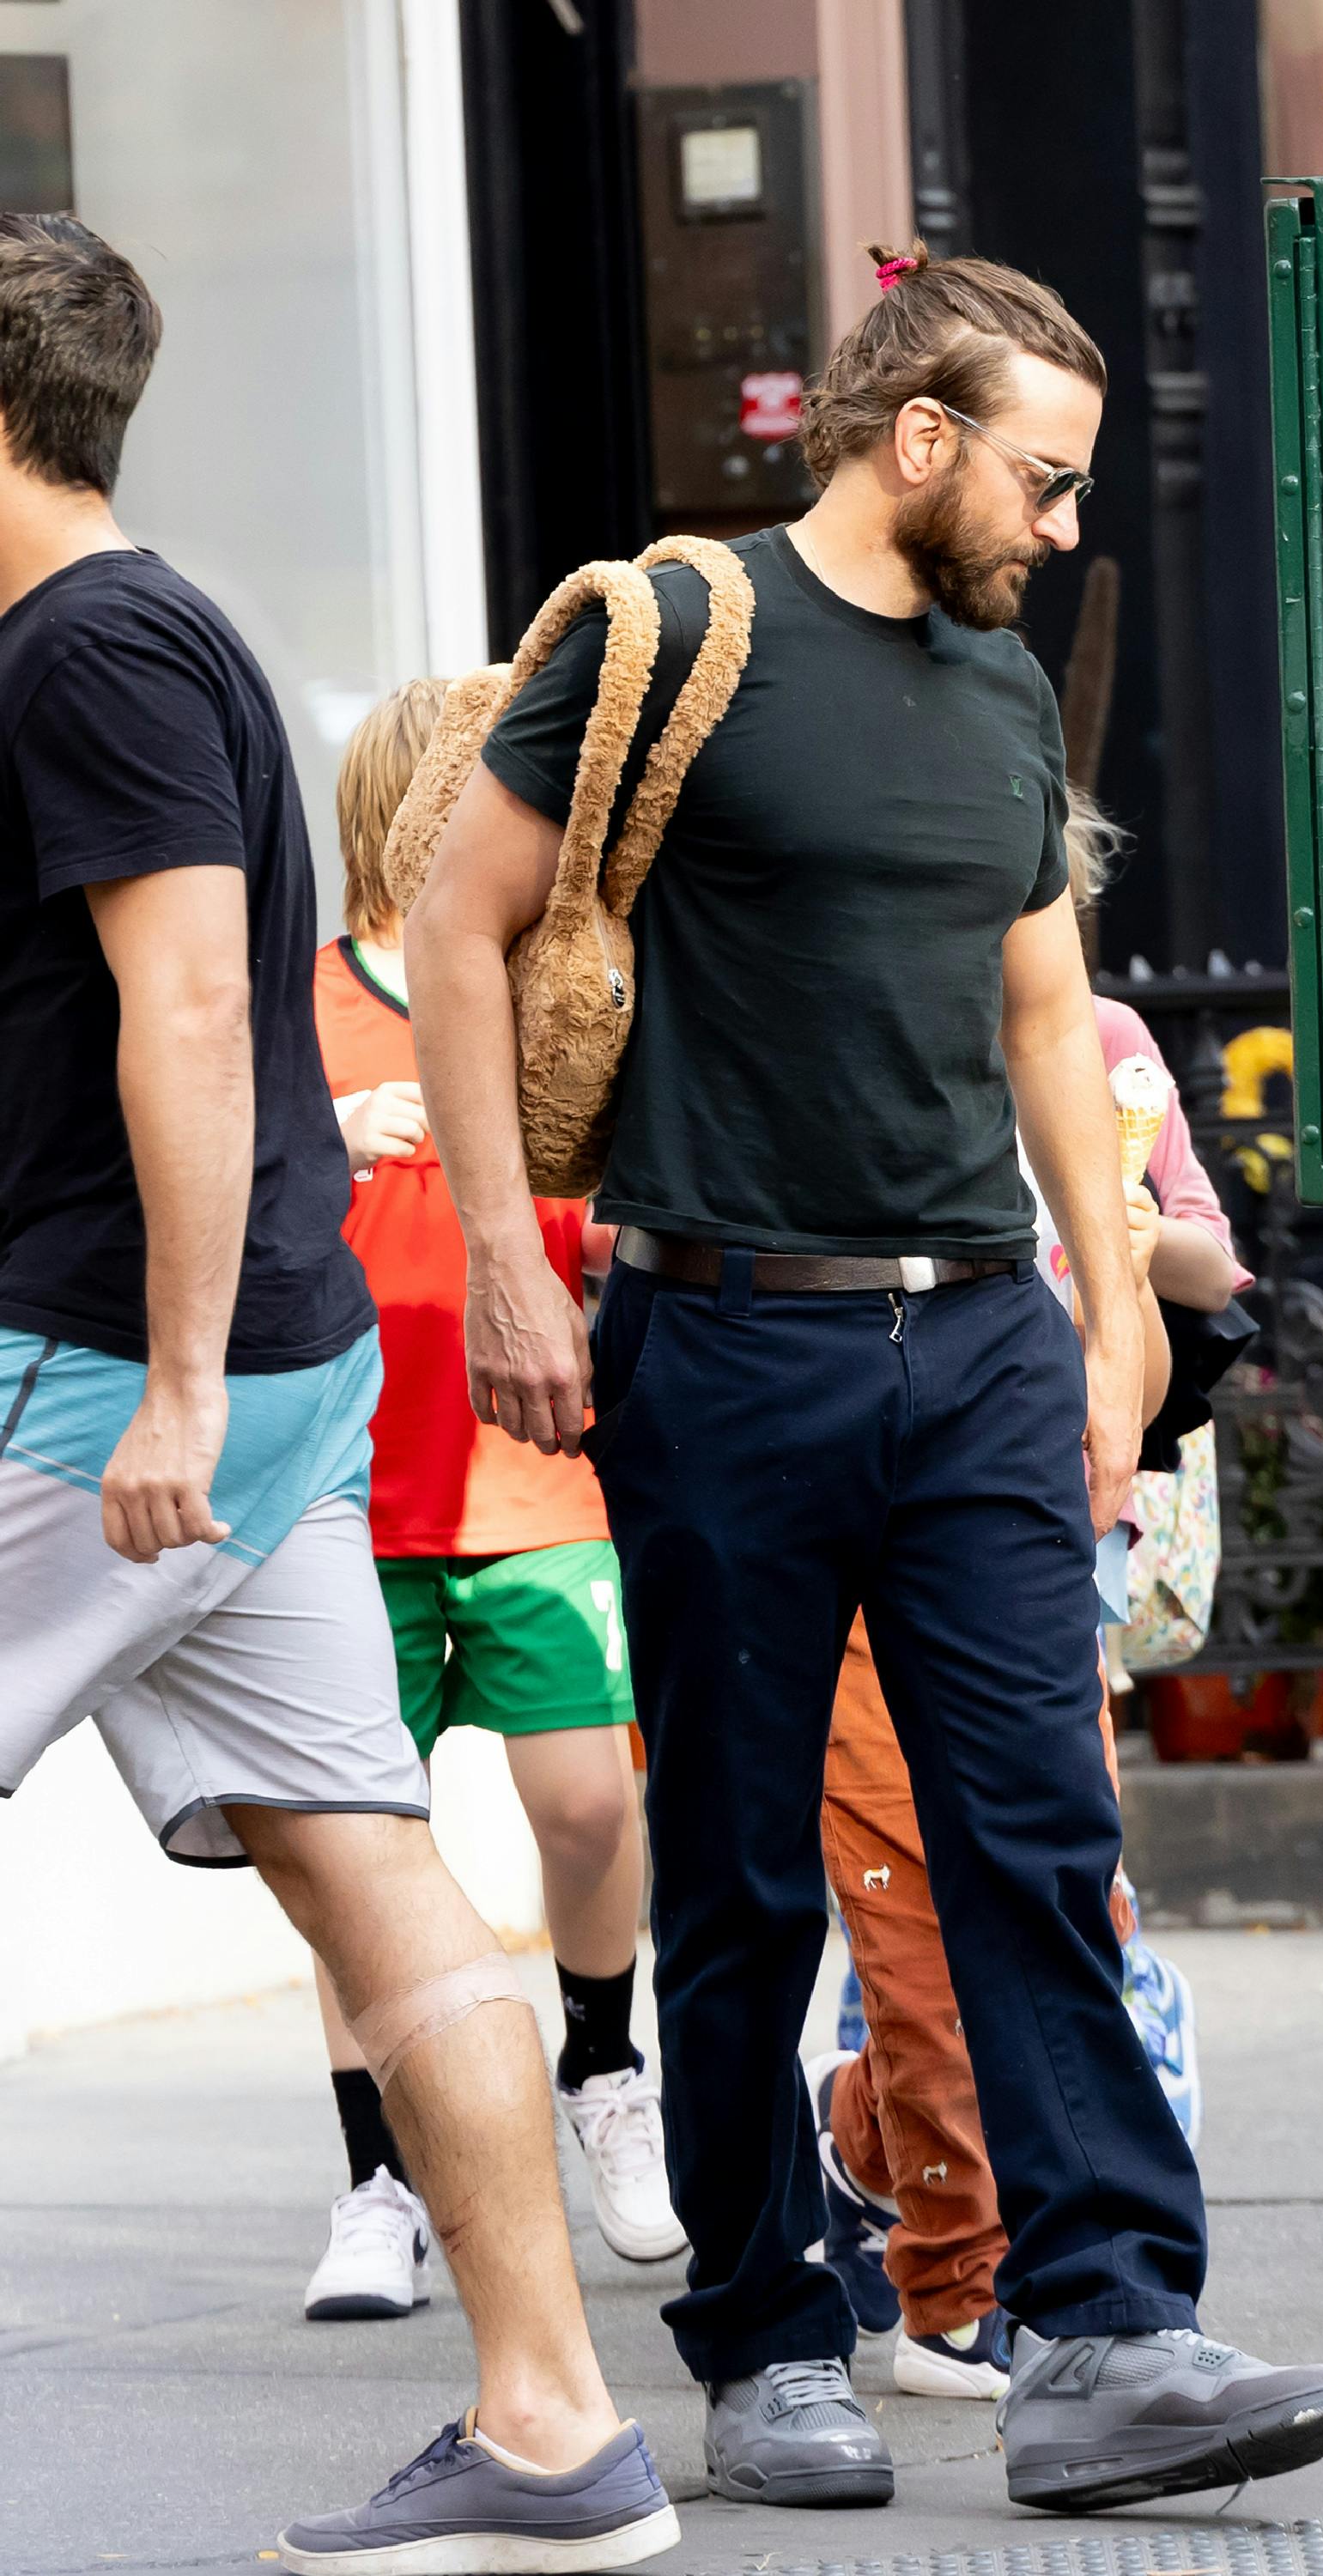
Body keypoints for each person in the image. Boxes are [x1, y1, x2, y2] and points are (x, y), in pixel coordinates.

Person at [405, 238, 1323, 2515]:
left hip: (979, 1344)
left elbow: (1048, 1013)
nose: (1058, 527)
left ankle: (1112, 2329)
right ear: (914, 439)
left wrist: (1118, 1302)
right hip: (724, 1326)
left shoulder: (1001, 698)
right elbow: (457, 927)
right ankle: (766, 2332)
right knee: (742, 1865)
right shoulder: (670, 634)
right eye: (1039, 480)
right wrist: (506, 1271)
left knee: (1038, 1840)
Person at [0, 214, 676, 2573]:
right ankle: (556, 2423)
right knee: (381, 1892)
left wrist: (173, 1380)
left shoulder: (86, 643)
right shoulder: (133, 627)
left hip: (114, 1379)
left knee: (388, 1896)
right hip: (223, 1378)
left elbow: (195, 1012)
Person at [816, 856, 1247, 2397]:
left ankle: (893, 2155)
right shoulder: (851, 1022)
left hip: (1068, 1517)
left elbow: (1211, 1256)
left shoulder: (1118, 1045)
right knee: (912, 1914)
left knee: (1060, 1895)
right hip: (871, 1495)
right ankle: (957, 2272)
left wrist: (1130, 1238)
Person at [297, 681, 682, 2323]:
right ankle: (378, 2175)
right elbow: (176, 1151)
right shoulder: (295, 1001)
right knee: (357, 1851)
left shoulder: (558, 1002)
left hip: (536, 1477)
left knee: (590, 1804)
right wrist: (330, 1129)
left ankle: (605, 2065)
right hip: (341, 1491)